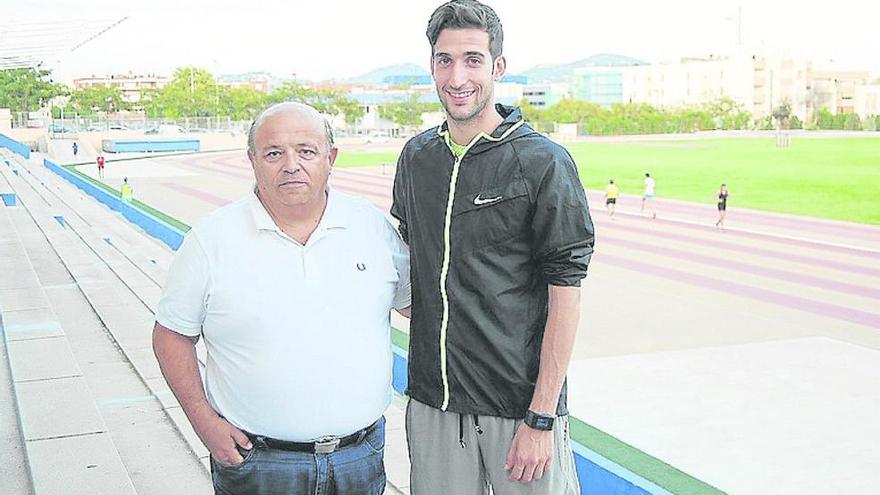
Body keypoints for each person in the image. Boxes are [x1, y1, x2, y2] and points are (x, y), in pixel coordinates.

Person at [152, 102, 411, 495]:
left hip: (359, 458)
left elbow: (417, 306)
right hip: (257, 463)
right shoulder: (211, 240)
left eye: (306, 151)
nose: (291, 164)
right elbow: (171, 336)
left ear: (331, 158)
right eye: (275, 153)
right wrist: (203, 421)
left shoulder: (373, 228)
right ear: (253, 161)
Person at [391, 2, 594, 493]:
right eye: (444, 60)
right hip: (433, 404)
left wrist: (541, 417)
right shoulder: (417, 157)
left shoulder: (543, 161)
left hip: (517, 411)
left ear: (497, 67)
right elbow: (404, 260)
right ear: (432, 66)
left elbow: (565, 294)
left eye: (472, 59)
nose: (457, 76)